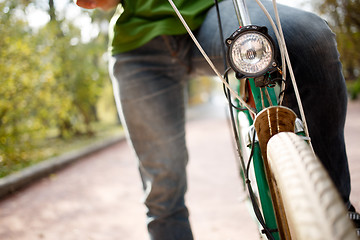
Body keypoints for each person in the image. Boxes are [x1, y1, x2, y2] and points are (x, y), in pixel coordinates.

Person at [75, 0, 359, 239]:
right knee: (163, 186)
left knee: (310, 39)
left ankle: (335, 210)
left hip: (213, 11)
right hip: (139, 42)